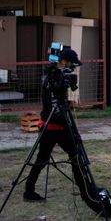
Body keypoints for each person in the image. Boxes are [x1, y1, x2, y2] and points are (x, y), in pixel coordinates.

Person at [24, 49, 84, 201]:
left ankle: (29, 191)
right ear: (63, 61)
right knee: (74, 155)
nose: (72, 69)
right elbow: (54, 105)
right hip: (54, 126)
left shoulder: (50, 75)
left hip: (51, 125)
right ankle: (84, 188)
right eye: (71, 65)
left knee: (44, 159)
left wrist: (66, 101)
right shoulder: (54, 77)